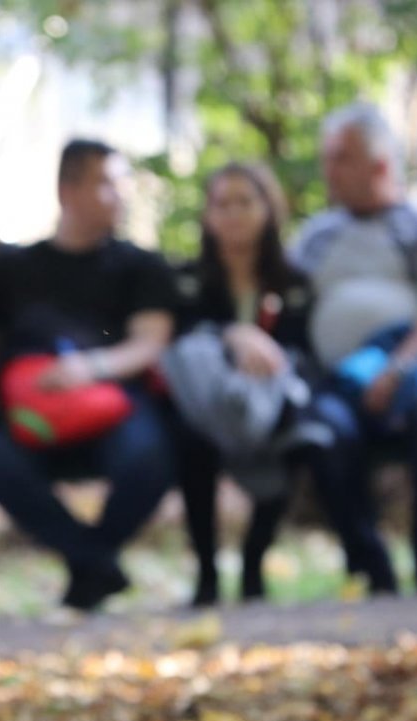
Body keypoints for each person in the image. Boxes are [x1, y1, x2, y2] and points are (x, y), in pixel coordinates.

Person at [0, 139, 179, 612]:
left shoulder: (141, 266)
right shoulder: (12, 267)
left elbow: (151, 341)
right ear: (67, 190)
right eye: (106, 183)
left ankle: (89, 567)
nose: (120, 195)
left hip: (114, 406)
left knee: (150, 455)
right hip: (27, 415)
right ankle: (95, 563)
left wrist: (89, 369)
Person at [291, 102, 417, 594]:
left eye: (340, 158)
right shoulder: (316, 237)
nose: (328, 171)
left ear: (379, 165)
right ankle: (372, 571)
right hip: (338, 382)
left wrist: (398, 369)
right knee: (321, 429)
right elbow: (282, 303)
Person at [169, 162, 315, 605]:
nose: (233, 214)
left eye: (245, 202)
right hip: (205, 407)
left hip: (272, 404)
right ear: (207, 215)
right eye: (222, 204)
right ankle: (207, 574)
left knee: (298, 438)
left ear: (268, 208)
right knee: (190, 441)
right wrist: (231, 334)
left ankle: (254, 565)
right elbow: (177, 341)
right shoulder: (187, 280)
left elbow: (304, 353)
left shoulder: (294, 282)